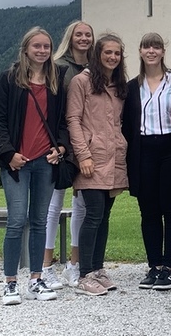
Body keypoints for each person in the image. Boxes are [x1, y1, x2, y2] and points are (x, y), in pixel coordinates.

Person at [0, 27, 70, 305]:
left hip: (45, 161)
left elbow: (63, 122)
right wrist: (8, 153)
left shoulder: (56, 79)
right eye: (37, 46)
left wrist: (61, 148)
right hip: (16, 162)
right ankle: (10, 283)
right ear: (25, 49)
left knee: (39, 221)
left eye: (46, 46)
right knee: (16, 221)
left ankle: (36, 279)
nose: (42, 51)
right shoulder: (9, 79)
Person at [121, 33, 171, 291]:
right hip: (143, 150)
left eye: (156, 47)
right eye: (147, 47)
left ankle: (169, 267)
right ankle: (154, 265)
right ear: (140, 50)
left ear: (163, 51)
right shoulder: (131, 87)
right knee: (148, 210)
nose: (151, 51)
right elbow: (127, 125)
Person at [67, 33, 129, 296]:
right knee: (93, 215)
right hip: (91, 158)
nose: (112, 57)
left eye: (117, 53)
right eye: (108, 52)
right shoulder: (81, 82)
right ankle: (84, 275)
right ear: (98, 54)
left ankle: (97, 269)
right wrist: (83, 155)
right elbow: (73, 119)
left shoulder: (118, 85)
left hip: (114, 158)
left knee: (104, 217)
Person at [41, 20, 93, 290]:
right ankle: (45, 266)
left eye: (88, 34)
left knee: (81, 204)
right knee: (54, 205)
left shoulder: (96, 68)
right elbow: (51, 108)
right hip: (62, 142)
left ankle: (74, 264)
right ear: (70, 38)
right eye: (78, 34)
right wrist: (56, 143)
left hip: (87, 142)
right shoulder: (58, 66)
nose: (83, 38)